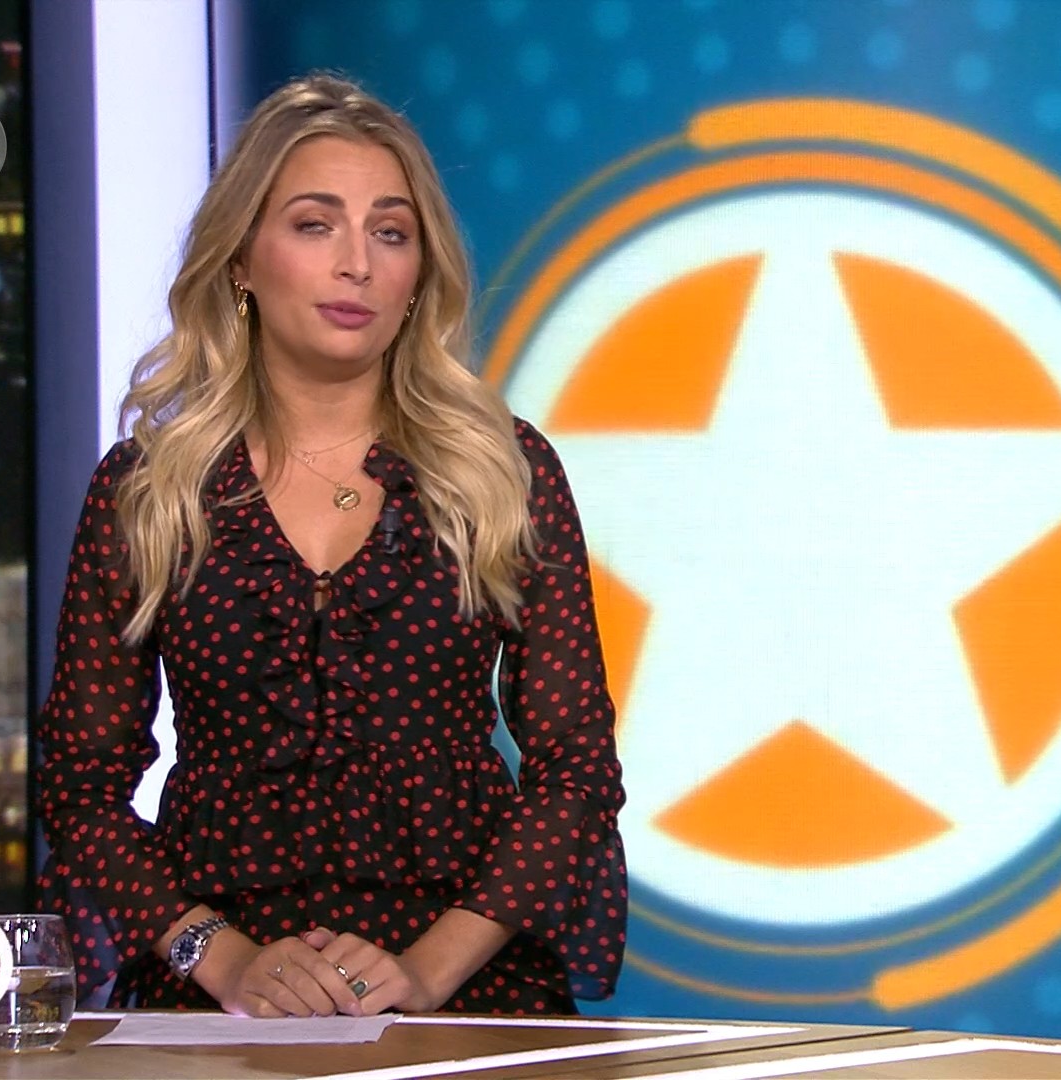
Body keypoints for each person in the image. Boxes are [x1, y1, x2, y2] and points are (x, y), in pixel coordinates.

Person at [34, 73, 626, 1018]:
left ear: (419, 272)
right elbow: (82, 789)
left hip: (466, 988)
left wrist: (425, 971)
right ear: (240, 258)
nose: (358, 264)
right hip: (215, 994)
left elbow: (575, 769)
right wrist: (224, 960)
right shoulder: (150, 490)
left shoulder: (501, 471)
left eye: (390, 233)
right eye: (316, 225)